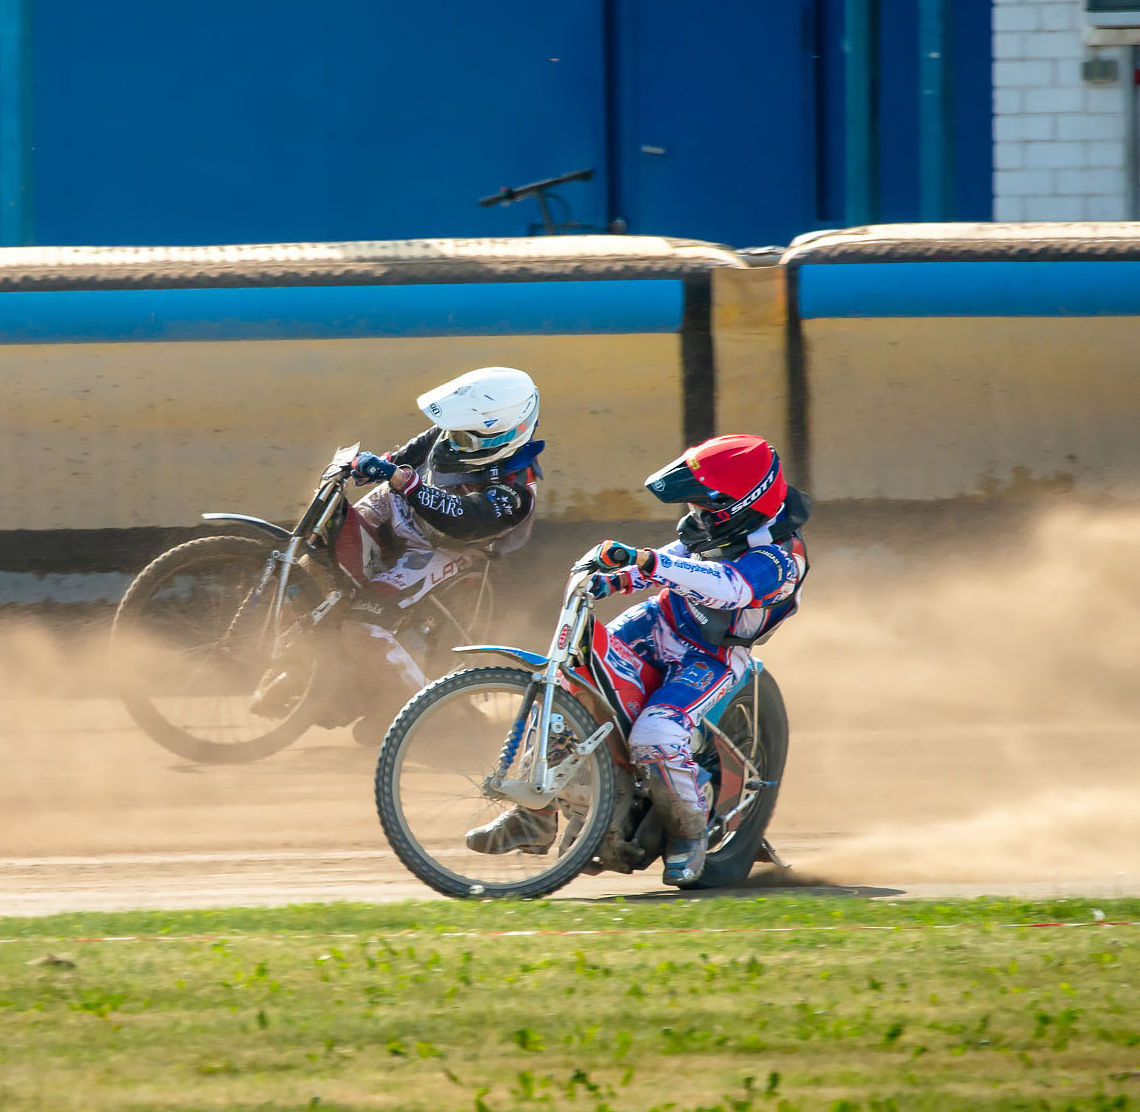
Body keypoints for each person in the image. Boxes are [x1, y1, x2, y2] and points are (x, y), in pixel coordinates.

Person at [466, 433, 806, 886]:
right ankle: (534, 814)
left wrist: (646, 562)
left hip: (713, 656)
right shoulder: (710, 526)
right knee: (568, 682)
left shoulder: (782, 557)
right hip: (657, 622)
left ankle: (689, 834)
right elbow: (673, 559)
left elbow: (728, 586)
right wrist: (619, 578)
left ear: (740, 504)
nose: (696, 515)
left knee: (656, 732)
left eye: (705, 505)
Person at [312, 366, 545, 742]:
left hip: (447, 547)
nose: (451, 444)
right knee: (326, 549)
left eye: (463, 439)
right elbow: (409, 454)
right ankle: (320, 674)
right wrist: (376, 464)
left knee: (363, 626)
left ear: (506, 434)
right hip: (402, 505)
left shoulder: (515, 492)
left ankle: (441, 716)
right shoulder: (452, 432)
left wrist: (404, 482)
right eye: (451, 432)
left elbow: (463, 521)